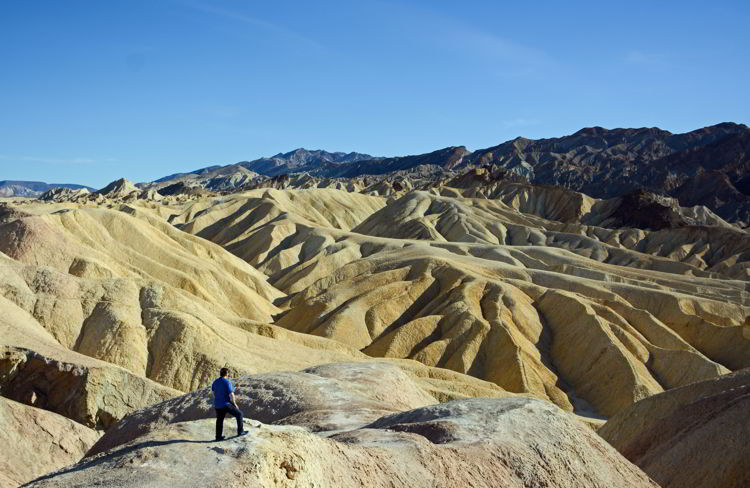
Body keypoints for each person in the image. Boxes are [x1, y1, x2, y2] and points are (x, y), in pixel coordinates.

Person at [211, 367, 248, 441]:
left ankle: (218, 437)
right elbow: (231, 394)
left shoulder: (215, 382)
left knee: (219, 420)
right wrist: (234, 404)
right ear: (227, 374)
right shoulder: (227, 382)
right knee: (239, 414)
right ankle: (240, 431)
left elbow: (214, 392)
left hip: (217, 405)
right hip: (225, 404)